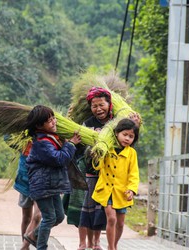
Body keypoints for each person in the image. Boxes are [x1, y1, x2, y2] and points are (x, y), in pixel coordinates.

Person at [24, 105, 82, 250]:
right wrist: (71, 145)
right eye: (50, 121)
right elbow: (59, 159)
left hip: (52, 185)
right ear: (39, 126)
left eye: (54, 118)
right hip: (43, 186)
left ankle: (33, 235)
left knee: (59, 216)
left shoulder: (51, 138)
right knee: (49, 217)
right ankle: (41, 246)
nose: (54, 122)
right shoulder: (42, 143)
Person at [92, 118, 140, 250]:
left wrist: (131, 189)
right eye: (125, 134)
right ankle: (111, 247)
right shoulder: (106, 147)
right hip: (107, 189)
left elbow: (134, 174)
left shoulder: (131, 153)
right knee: (111, 219)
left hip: (122, 192)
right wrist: (97, 153)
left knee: (120, 223)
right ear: (117, 133)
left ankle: (114, 244)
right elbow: (97, 166)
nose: (127, 138)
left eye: (131, 136)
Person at [78, 86, 115, 250]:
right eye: (94, 106)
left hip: (109, 174)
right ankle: (84, 243)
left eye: (102, 105)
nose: (98, 109)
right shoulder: (87, 124)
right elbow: (81, 148)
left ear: (109, 104)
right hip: (91, 172)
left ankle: (97, 243)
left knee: (100, 209)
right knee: (88, 208)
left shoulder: (116, 123)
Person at [13, 141, 41, 250]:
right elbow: (9, 138)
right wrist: (23, 144)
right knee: (26, 217)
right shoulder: (24, 133)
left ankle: (26, 244)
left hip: (40, 181)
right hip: (25, 179)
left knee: (38, 215)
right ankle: (25, 247)